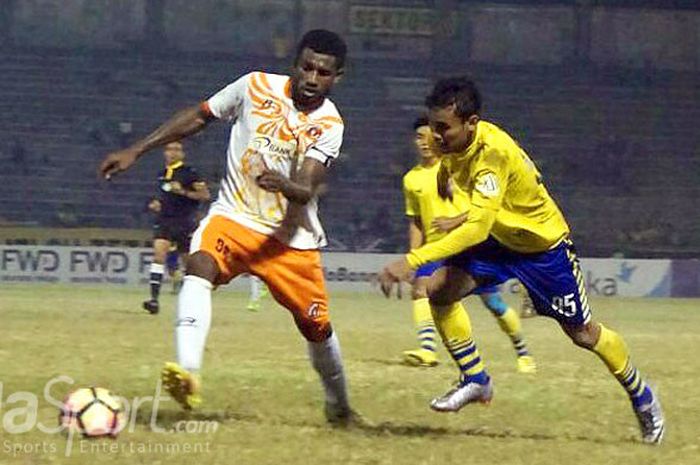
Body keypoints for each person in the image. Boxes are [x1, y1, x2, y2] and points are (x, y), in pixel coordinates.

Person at [378, 77, 664, 444]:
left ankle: (643, 397)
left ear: (472, 123)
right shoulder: (454, 142)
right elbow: (480, 203)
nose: (434, 136)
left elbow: (476, 230)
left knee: (582, 334)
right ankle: (476, 380)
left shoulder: (492, 155)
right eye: (432, 127)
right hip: (501, 240)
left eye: (442, 128)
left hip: (543, 250)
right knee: (439, 291)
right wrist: (447, 178)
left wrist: (412, 259)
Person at [99, 30, 355, 424]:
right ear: (295, 64)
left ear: (337, 77)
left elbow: (305, 188)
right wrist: (136, 149)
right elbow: (200, 115)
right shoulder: (254, 86)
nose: (312, 77)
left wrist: (284, 184)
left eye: (323, 72)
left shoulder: (329, 124)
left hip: (288, 240)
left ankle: (339, 406)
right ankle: (188, 373)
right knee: (199, 266)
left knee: (316, 327)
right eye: (306, 67)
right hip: (233, 218)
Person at [401, 116, 536, 374]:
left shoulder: (459, 166)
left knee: (494, 304)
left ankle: (523, 352)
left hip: (467, 244)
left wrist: (456, 220)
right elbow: (416, 221)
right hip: (434, 249)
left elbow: (484, 206)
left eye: (428, 136)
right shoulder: (411, 179)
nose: (424, 142)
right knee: (420, 290)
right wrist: (414, 255)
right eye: (419, 137)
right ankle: (428, 351)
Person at [144, 141, 210, 314]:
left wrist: (183, 192)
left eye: (176, 149)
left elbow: (204, 195)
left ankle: (193, 299)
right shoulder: (161, 174)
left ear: (182, 154)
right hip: (164, 220)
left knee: (189, 264)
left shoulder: (190, 173)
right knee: (158, 255)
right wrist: (156, 203)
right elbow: (163, 196)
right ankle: (153, 300)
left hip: (185, 221)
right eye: (168, 149)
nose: (172, 153)